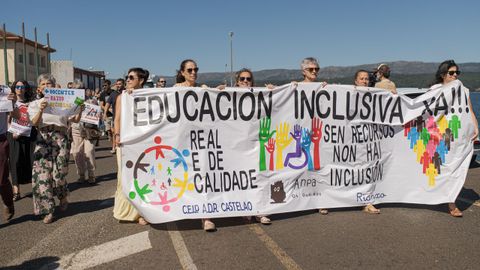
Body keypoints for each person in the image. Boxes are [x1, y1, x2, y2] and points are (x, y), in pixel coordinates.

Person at [28, 74, 84, 224]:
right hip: (43, 140)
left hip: (60, 139)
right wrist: (40, 110)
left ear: (54, 86)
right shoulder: (34, 104)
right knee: (42, 176)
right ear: (39, 88)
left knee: (58, 174)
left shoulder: (63, 102)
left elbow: (75, 119)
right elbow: (34, 123)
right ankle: (47, 210)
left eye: (50, 83)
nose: (47, 86)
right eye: (44, 84)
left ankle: (63, 195)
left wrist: (80, 109)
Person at [430, 60, 479, 217]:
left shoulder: (464, 90)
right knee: (444, 167)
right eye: (451, 73)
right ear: (443, 74)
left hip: (461, 134)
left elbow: (469, 110)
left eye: (457, 72)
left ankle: (451, 198)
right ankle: (451, 202)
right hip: (442, 135)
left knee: (459, 167)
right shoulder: (436, 90)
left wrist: (475, 126)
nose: (455, 75)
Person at [113, 68, 149, 225]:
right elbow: (117, 119)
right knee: (125, 176)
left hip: (142, 141)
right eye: (127, 77)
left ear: (140, 80)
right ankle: (128, 211)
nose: (127, 80)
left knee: (142, 177)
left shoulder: (149, 96)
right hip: (126, 142)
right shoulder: (122, 97)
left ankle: (142, 213)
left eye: (131, 77)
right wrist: (117, 136)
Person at [352, 70, 382, 214]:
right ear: (356, 81)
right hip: (351, 141)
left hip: (369, 140)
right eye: (361, 79)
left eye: (366, 79)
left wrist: (393, 97)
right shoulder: (348, 94)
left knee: (368, 170)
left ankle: (367, 202)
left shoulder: (375, 95)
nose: (364, 81)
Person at [7, 80, 36, 201]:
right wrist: (13, 131)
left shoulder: (32, 103)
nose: (19, 89)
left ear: (26, 88)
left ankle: (36, 187)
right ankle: (16, 191)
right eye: (17, 86)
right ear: (14, 88)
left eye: (22, 86)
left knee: (31, 160)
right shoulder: (8, 102)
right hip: (13, 135)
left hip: (29, 134)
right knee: (15, 161)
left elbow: (33, 119)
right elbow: (8, 120)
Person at [70, 80, 98, 184]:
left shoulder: (92, 101)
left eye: (80, 89)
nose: (77, 92)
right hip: (76, 129)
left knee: (89, 152)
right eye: (75, 90)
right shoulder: (71, 102)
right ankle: (81, 174)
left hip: (89, 130)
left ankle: (91, 174)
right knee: (77, 153)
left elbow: (97, 116)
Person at [0, 86, 18, 222]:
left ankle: (8, 202)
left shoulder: (5, 92)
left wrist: (12, 104)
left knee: (1, 178)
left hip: (1, 139)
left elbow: (15, 116)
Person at [104, 79, 125, 154]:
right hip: (116, 117)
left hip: (126, 118)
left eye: (119, 84)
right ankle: (114, 146)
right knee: (114, 133)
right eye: (117, 84)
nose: (118, 85)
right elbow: (107, 104)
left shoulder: (126, 92)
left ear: (123, 84)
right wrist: (104, 113)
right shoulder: (113, 94)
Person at [99, 80, 114, 151]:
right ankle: (113, 143)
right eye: (103, 85)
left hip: (114, 115)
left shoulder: (114, 93)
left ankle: (114, 147)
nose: (104, 87)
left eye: (105, 85)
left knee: (114, 130)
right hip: (107, 115)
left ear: (109, 85)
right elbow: (101, 105)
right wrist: (108, 109)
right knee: (109, 131)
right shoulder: (102, 94)